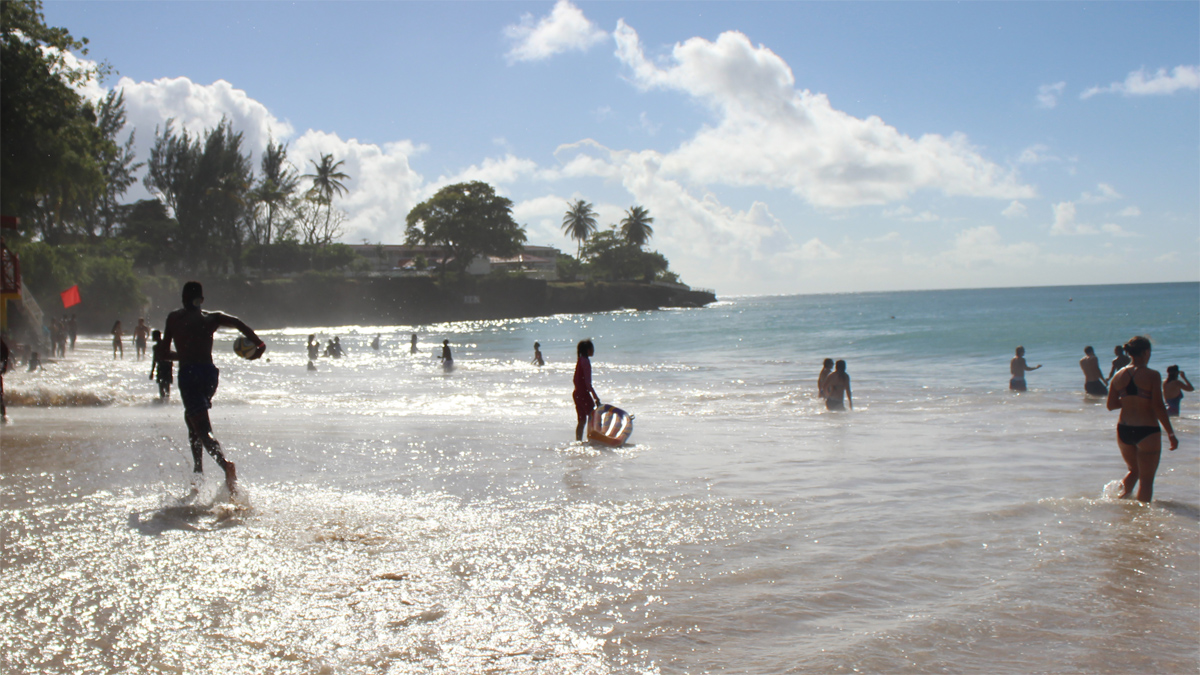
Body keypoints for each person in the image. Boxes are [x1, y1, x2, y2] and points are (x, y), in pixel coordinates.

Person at [162, 281, 264, 495]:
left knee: (201, 428)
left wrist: (184, 355)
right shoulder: (211, 318)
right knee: (193, 420)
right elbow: (237, 322)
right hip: (209, 375)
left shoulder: (174, 318)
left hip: (189, 375)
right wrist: (259, 345)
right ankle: (198, 471)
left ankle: (225, 465)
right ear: (202, 300)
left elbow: (163, 353)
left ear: (182, 298)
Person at [1106, 336, 1177, 503]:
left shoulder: (1118, 375)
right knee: (1146, 480)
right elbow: (1159, 406)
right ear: (1146, 352)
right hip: (1147, 430)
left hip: (1124, 429)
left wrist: (1129, 400)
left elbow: (1111, 405)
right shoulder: (1152, 375)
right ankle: (1142, 518)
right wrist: (1171, 434)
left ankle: (1117, 502)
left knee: (1133, 470)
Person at [573, 339, 600, 441]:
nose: (594, 350)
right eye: (592, 348)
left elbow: (575, 380)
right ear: (588, 350)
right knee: (593, 416)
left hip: (576, 394)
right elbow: (588, 384)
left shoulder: (580, 360)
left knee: (582, 420)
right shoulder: (586, 361)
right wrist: (596, 397)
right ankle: (592, 440)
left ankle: (578, 441)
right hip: (583, 394)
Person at [149, 330, 173, 401]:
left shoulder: (155, 347)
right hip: (168, 366)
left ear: (155, 337)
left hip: (161, 367)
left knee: (161, 385)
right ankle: (167, 400)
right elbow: (169, 355)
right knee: (167, 385)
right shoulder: (165, 344)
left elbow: (154, 360)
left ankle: (162, 400)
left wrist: (152, 372)